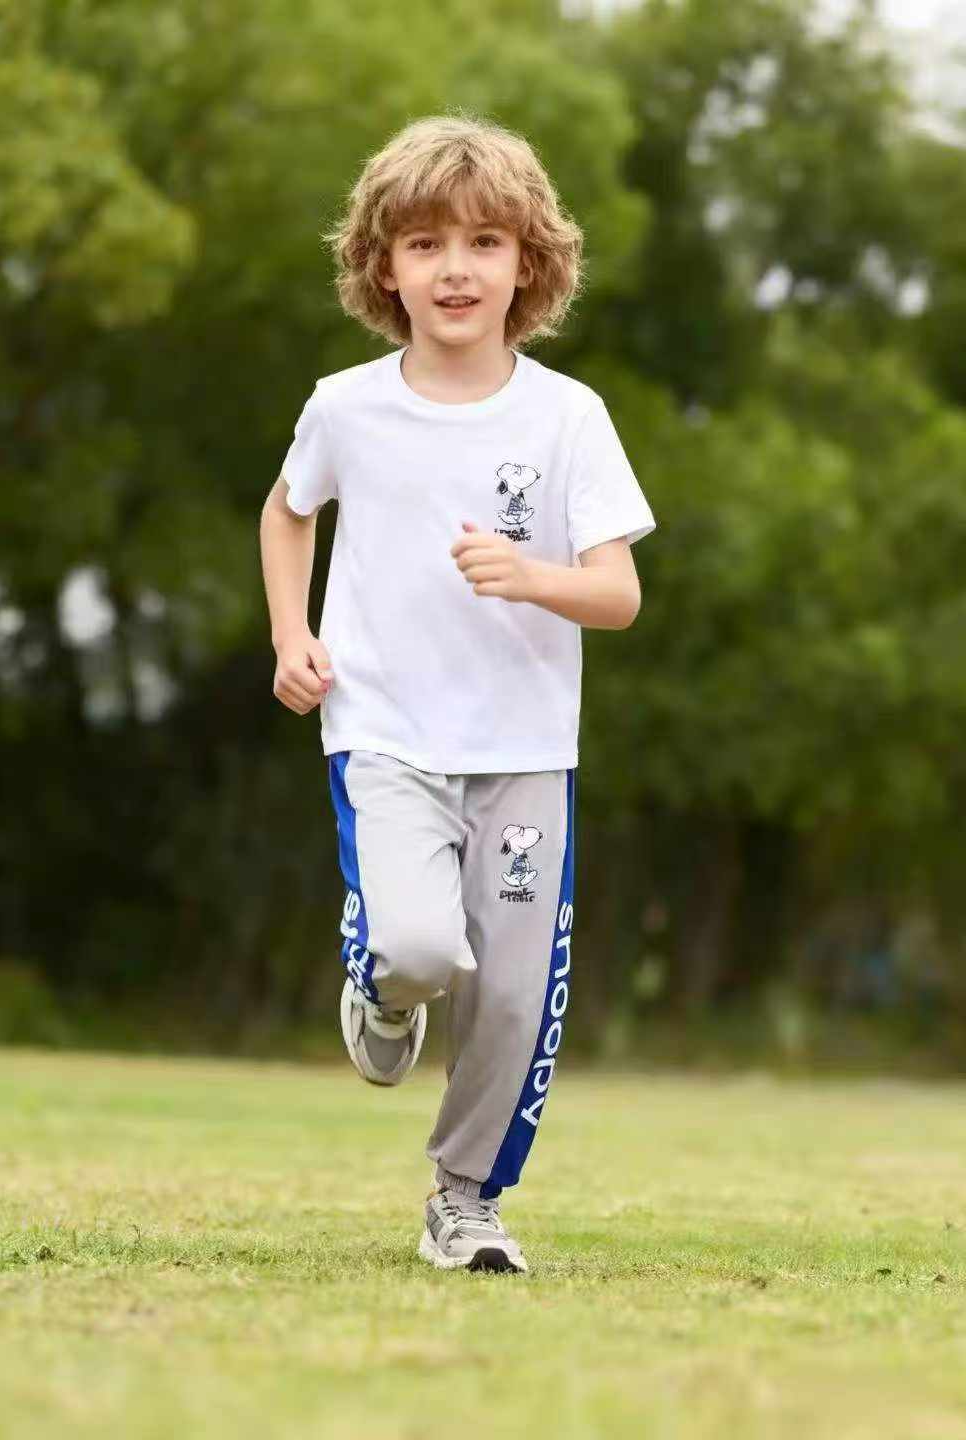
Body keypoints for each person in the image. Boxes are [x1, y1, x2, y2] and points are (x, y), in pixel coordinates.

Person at [259, 113, 656, 1274]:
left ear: (528, 263)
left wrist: (531, 576)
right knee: (422, 947)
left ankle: (467, 1198)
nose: (456, 268)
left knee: (516, 994)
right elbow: (288, 510)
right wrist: (292, 634)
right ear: (384, 265)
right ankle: (381, 989)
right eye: (426, 243)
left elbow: (618, 595)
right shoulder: (345, 406)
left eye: (485, 242)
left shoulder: (569, 417)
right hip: (384, 730)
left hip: (527, 748)